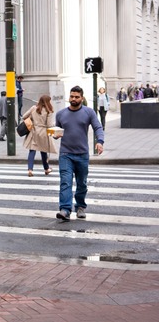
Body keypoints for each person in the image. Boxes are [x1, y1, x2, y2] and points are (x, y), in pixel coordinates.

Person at [54, 86, 104, 222]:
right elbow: (57, 131)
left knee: (82, 183)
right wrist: (55, 135)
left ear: (82, 98)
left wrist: (100, 141)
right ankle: (65, 209)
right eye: (71, 96)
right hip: (65, 154)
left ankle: (80, 206)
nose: (73, 99)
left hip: (82, 154)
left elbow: (98, 127)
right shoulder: (60, 114)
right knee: (65, 182)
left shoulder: (89, 112)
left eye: (76, 97)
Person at [22, 95, 57, 177]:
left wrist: (32, 118)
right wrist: (53, 132)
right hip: (43, 132)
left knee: (32, 151)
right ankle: (46, 169)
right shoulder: (49, 111)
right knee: (43, 151)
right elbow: (49, 125)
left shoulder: (34, 108)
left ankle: (30, 170)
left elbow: (24, 116)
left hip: (34, 131)